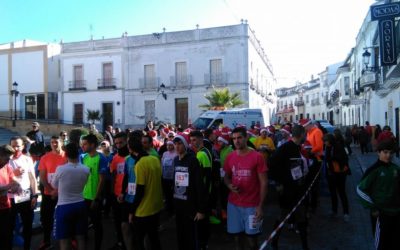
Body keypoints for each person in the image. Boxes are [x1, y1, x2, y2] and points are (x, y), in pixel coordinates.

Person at [223, 127, 268, 249]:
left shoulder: (257, 157)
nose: (236, 141)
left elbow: (264, 183)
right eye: (234, 138)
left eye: (239, 138)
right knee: (237, 239)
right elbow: (226, 177)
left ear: (246, 138)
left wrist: (260, 206)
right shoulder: (230, 157)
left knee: (252, 240)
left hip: (252, 206)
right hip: (234, 205)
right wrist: (229, 185)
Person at [269, 125, 310, 250]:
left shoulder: (298, 148)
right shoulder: (284, 148)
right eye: (305, 134)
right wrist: (279, 183)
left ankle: (305, 246)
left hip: (299, 191)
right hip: (287, 192)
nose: (306, 136)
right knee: (282, 217)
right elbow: (271, 165)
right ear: (302, 134)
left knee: (302, 219)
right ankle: (274, 241)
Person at [357, 139, 400, 250]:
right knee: (381, 244)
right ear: (378, 152)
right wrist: (373, 208)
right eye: (385, 152)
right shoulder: (373, 170)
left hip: (396, 212)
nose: (388, 155)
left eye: (391, 153)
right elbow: (360, 190)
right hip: (381, 214)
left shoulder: (395, 169)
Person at [128, 132, 163, 250]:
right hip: (156, 207)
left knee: (139, 241)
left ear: (130, 149)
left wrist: (132, 211)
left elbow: (140, 190)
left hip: (143, 211)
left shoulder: (139, 164)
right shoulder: (155, 159)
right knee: (154, 239)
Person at [51, 143, 90, 250]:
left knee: (64, 239)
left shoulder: (61, 169)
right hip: (80, 204)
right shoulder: (86, 169)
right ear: (78, 154)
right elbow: (85, 183)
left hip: (64, 206)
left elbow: (54, 185)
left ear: (66, 154)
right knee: (81, 238)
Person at [172, 135, 208, 250]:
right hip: (179, 205)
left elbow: (199, 186)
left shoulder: (192, 160)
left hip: (191, 207)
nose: (177, 147)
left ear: (185, 145)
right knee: (180, 236)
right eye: (175, 144)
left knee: (191, 237)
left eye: (180, 144)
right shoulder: (176, 160)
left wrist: (201, 209)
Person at [8, 136, 39, 250]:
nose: (16, 148)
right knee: (9, 226)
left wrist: (35, 195)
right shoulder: (5, 160)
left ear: (23, 146)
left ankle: (27, 247)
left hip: (26, 196)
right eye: (13, 146)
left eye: (18, 146)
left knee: (27, 225)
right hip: (10, 197)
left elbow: (32, 178)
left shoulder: (27, 159)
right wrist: (14, 173)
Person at [38, 135, 67, 250]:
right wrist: (51, 191)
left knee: (65, 217)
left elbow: (70, 176)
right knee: (46, 218)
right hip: (48, 193)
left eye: (56, 142)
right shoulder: (45, 158)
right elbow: (42, 177)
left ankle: (68, 239)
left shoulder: (67, 156)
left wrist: (59, 191)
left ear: (62, 142)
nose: (54, 144)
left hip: (64, 193)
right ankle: (46, 240)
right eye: (52, 142)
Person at [80, 133, 108, 250]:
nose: (83, 146)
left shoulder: (101, 158)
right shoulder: (84, 157)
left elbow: (102, 180)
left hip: (95, 198)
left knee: (97, 225)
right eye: (82, 144)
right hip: (83, 196)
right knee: (83, 222)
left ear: (92, 145)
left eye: (85, 144)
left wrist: (96, 198)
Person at [189, 130, 213, 247]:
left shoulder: (201, 154)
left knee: (201, 223)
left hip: (203, 193)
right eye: (191, 140)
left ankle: (203, 244)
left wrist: (204, 195)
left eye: (194, 140)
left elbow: (207, 176)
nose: (192, 143)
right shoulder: (206, 151)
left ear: (200, 139)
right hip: (205, 192)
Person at [109, 132, 130, 250]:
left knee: (126, 223)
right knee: (118, 222)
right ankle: (120, 242)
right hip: (116, 195)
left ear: (127, 142)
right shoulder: (115, 158)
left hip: (128, 196)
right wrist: (112, 194)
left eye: (121, 142)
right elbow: (113, 176)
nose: (118, 145)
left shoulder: (132, 157)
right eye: (116, 143)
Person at [323, 133, 350, 221]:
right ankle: (334, 211)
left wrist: (332, 158)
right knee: (333, 193)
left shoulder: (338, 146)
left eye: (325, 141)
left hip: (340, 173)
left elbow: (343, 158)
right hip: (331, 173)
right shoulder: (327, 147)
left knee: (342, 192)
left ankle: (346, 213)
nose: (324, 143)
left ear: (330, 141)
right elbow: (327, 160)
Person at [0, 145, 21, 250]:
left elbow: (14, 180)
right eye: (7, 158)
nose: (8, 161)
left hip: (6, 207)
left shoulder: (6, 166)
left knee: (7, 236)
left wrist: (18, 186)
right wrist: (9, 186)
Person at [161, 140, 177, 215]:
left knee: (173, 194)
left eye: (170, 145)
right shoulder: (165, 153)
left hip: (173, 178)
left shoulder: (176, 154)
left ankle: (174, 209)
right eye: (167, 145)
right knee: (167, 194)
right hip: (165, 177)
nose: (169, 147)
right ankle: (168, 208)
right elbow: (162, 164)